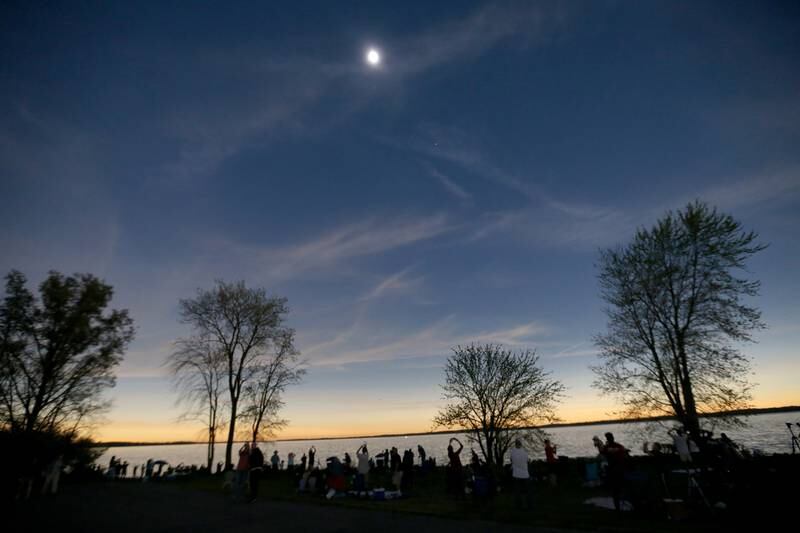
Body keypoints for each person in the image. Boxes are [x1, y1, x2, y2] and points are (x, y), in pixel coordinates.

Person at [600, 432, 628, 511]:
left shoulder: (608, 447)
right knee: (618, 488)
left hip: (614, 470)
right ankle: (619, 504)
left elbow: (602, 452)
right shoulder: (618, 446)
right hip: (617, 469)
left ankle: (618, 506)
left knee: (615, 489)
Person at [510, 439, 532, 509]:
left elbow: (511, 460)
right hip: (525, 475)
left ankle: (518, 506)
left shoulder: (513, 452)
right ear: (521, 444)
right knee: (527, 491)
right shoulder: (524, 452)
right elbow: (527, 460)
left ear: (515, 444)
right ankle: (528, 505)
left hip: (516, 475)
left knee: (517, 492)